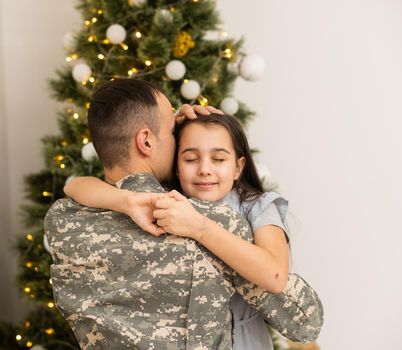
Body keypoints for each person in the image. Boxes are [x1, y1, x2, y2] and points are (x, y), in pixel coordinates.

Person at [45, 79, 323, 350]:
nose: (177, 138)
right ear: (146, 141)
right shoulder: (204, 221)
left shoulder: (62, 221)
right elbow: (304, 322)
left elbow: (74, 186)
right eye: (173, 131)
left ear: (237, 166)